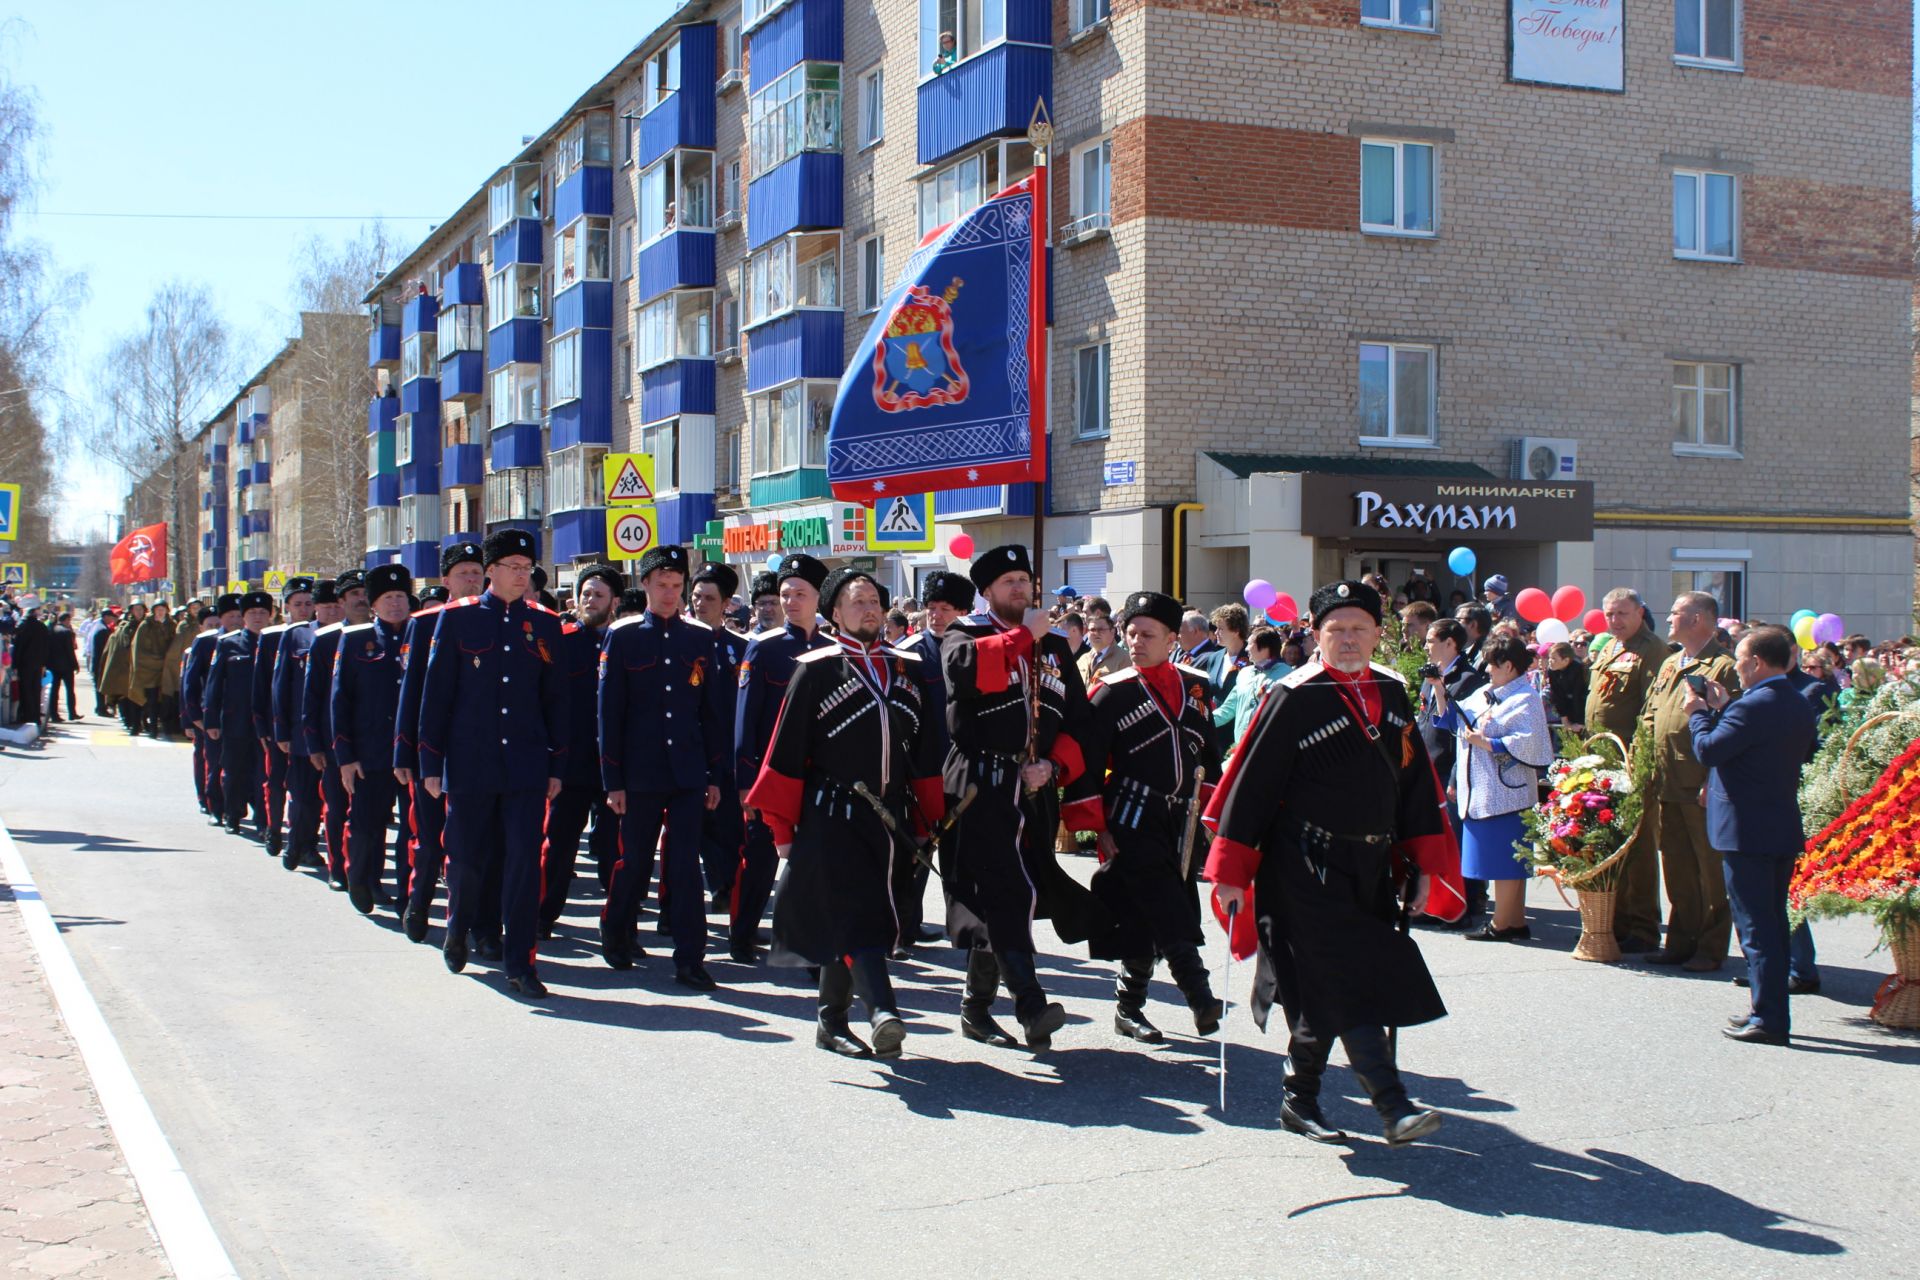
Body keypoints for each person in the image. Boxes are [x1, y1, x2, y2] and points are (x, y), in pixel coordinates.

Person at [1203, 578, 1464, 1147]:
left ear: (1377, 634)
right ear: (1316, 636)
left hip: (1369, 867)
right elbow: (1250, 787)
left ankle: (1299, 1099)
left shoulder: (1393, 692)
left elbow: (1415, 786)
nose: (1347, 639)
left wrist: (1421, 865)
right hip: (1302, 866)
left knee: (1326, 983)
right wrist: (1232, 873)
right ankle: (1392, 1106)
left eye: (1358, 629)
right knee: (1346, 980)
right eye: (1335, 629)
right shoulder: (1295, 696)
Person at [747, 568, 946, 1057]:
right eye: (857, 601)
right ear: (834, 613)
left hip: (891, 819)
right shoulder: (815, 669)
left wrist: (927, 819)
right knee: (858, 916)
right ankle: (883, 1010)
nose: (871, 609)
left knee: (866, 914)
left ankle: (830, 1021)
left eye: (875, 599)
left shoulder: (907, 667)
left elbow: (926, 748)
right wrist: (782, 832)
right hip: (831, 815)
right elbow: (784, 753)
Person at [940, 544, 1099, 1051]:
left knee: (1013, 897)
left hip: (1033, 791)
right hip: (979, 787)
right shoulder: (964, 634)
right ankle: (1030, 1003)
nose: (1020, 588)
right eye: (1007, 581)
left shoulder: (1054, 648)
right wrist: (1020, 636)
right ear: (986, 591)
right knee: (1003, 891)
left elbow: (1079, 722)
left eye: (1024, 580)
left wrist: (1053, 765)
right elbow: (964, 675)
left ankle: (975, 1006)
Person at [1061, 590, 1225, 1043]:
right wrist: (1097, 828)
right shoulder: (1113, 691)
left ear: (1172, 637)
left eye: (1147, 634)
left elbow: (1208, 753)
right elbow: (1086, 763)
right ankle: (1200, 995)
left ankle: (1128, 1009)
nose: (1136, 641)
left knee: (1147, 914)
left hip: (1181, 820)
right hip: (1131, 814)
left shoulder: (1196, 684)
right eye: (1130, 632)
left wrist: (1211, 813)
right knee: (1165, 902)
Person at [418, 531, 568, 1000]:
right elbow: (436, 695)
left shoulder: (544, 624)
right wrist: (430, 761)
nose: (522, 576)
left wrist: (556, 765)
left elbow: (555, 701)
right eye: (513, 567)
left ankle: (520, 962)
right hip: (471, 763)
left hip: (525, 765)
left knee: (524, 865)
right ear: (491, 571)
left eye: (527, 568)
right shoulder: (458, 620)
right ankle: (459, 925)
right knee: (466, 859)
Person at [597, 544, 727, 990]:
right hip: (640, 772)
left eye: (677, 586)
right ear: (645, 585)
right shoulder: (625, 635)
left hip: (688, 771)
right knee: (633, 860)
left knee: (685, 865)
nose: (671, 594)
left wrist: (712, 774)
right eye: (662, 585)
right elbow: (609, 714)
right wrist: (613, 779)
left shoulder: (699, 638)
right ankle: (617, 930)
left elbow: (710, 712)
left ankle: (691, 957)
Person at [1685, 625, 1818, 1045]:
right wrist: (1724, 709)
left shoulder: (1752, 706)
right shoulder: (1795, 701)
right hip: (1778, 823)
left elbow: (1709, 749)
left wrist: (1698, 714)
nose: (1737, 668)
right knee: (1773, 925)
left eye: (1741, 660)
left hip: (1746, 831)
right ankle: (1769, 1009)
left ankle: (1769, 1018)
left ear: (1757, 662)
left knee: (1757, 930)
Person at [732, 555, 834, 963]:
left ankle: (810, 949)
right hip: (772, 776)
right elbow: (745, 720)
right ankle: (742, 934)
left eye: (800, 594)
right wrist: (745, 782)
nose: (790, 602)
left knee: (815, 865)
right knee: (758, 862)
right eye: (785, 594)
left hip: (819, 777)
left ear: (819, 599)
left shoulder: (834, 649)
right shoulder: (765, 649)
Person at [1428, 634, 1553, 942]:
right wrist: (1439, 688)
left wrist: (1486, 742)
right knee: (1504, 861)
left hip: (1507, 793)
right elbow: (1456, 721)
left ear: (1509, 666)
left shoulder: (1525, 697)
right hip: (1484, 790)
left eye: (1492, 665)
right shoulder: (1487, 692)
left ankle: (1502, 923)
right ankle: (1514, 921)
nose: (1486, 671)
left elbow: (1532, 743)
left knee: (1507, 862)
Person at [1641, 591, 1739, 971]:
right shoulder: (1670, 664)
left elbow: (1731, 728)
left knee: (1711, 871)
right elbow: (1653, 713)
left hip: (1698, 782)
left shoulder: (1724, 667)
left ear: (1699, 619)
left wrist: (1712, 780)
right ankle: (1680, 942)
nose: (1668, 620)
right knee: (1678, 867)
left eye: (1676, 613)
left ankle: (1711, 948)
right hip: (1667, 779)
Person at [393, 543, 485, 941]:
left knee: (473, 846)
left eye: (477, 572)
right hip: (434, 750)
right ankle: (419, 902)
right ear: (445, 580)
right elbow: (412, 695)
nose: (471, 579)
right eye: (463, 572)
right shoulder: (426, 622)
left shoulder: (491, 618)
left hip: (477, 753)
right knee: (430, 839)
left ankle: (474, 924)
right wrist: (405, 751)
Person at [1581, 587, 1670, 952]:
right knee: (1608, 844)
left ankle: (1644, 927)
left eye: (1622, 614)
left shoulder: (1652, 650)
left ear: (1639, 613)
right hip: (1600, 758)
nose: (1614, 621)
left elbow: (1652, 709)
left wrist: (1637, 762)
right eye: (1609, 615)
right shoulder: (1608, 647)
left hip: (1629, 760)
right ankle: (1611, 923)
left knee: (1638, 848)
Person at [538, 563, 621, 938]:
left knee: (613, 851)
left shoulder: (623, 643)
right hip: (570, 763)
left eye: (598, 595)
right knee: (558, 846)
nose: (590, 600)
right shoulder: (562, 640)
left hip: (612, 766)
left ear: (614, 602)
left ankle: (619, 925)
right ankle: (542, 917)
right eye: (585, 594)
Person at [331, 565, 412, 916]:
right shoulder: (354, 640)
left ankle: (407, 892)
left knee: (411, 829)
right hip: (370, 753)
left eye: (400, 597)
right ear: (374, 604)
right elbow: (340, 700)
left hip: (411, 754)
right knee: (368, 824)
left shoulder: (421, 635)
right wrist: (345, 757)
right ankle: (362, 878)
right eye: (387, 598)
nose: (395, 604)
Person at [303, 572, 370, 890]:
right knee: (337, 807)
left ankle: (366, 874)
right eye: (354, 593)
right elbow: (313, 695)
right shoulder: (327, 640)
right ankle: (337, 868)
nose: (361, 598)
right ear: (341, 601)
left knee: (368, 814)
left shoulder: (384, 634)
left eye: (364, 592)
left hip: (373, 742)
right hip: (334, 742)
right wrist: (314, 743)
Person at [688, 561, 746, 913]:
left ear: (726, 604)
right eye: (696, 596)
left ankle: (725, 887)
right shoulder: (677, 641)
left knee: (727, 828)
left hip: (726, 753)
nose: (700, 604)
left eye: (709, 598)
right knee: (689, 832)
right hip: (689, 751)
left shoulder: (740, 648)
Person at [273, 577, 335, 874]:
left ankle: (314, 845)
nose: (331, 611)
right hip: (302, 732)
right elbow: (281, 685)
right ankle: (300, 844)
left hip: (337, 732)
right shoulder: (297, 636)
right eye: (325, 606)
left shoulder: (351, 635)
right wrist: (282, 730)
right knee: (304, 795)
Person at [203, 592, 274, 837]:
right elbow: (214, 684)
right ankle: (232, 814)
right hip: (235, 720)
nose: (257, 617)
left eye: (262, 612)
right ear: (243, 617)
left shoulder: (276, 642)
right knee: (234, 771)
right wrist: (211, 719)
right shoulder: (229, 643)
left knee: (263, 773)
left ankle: (264, 821)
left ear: (270, 615)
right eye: (252, 613)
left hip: (265, 722)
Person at [252, 579, 312, 859]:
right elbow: (264, 686)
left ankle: (306, 842)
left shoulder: (317, 634)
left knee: (306, 790)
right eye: (297, 604)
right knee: (276, 781)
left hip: (305, 727)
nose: (304, 609)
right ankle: (273, 828)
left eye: (309, 604)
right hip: (279, 726)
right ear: (285, 607)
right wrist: (265, 726)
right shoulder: (272, 636)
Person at [181, 599, 231, 819]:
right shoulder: (197, 647)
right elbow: (187, 686)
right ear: (201, 627)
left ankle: (229, 802)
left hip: (228, 714)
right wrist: (189, 720)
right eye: (210, 625)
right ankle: (207, 799)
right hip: (204, 714)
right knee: (206, 760)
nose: (214, 628)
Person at [1212, 626, 1290, 752]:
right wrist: (1201, 721)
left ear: (1264, 647)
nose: (1246, 648)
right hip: (1241, 748)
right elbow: (1227, 710)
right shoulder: (1244, 673)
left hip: (1271, 748)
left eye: (1250, 644)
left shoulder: (1287, 674)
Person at [128, 603, 175, 737]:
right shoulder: (145, 626)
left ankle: (154, 728)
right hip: (146, 669)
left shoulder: (171, 625)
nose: (160, 612)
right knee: (139, 698)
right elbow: (138, 649)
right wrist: (155, 661)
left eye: (163, 610)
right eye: (157, 610)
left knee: (156, 701)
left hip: (163, 669)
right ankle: (136, 726)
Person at [1198, 603, 1250, 716]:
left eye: (1221, 629)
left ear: (1236, 631)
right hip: (1216, 724)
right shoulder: (1214, 658)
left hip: (1240, 724)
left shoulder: (1251, 657)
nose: (1216, 632)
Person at [8, 604, 48, 729]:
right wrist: (44, 664)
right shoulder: (42, 626)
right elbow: (47, 647)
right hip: (38, 664)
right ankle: (36, 716)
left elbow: (19, 647)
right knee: (36, 688)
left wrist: (15, 664)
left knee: (25, 689)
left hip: (25, 664)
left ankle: (27, 715)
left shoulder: (23, 626)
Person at [1542, 641, 1589, 730]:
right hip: (1567, 706)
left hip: (1582, 707)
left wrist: (1579, 722)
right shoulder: (1552, 670)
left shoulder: (1578, 669)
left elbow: (1578, 695)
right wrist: (1565, 721)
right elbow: (1557, 695)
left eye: (1554, 659)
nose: (1550, 661)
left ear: (1566, 660)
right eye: (1549, 658)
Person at [1077, 611, 1130, 685]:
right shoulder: (1083, 659)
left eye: (1101, 629)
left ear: (1112, 631)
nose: (1096, 633)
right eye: (1092, 630)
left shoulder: (1124, 658)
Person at [45, 611, 79, 723]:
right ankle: (72, 713)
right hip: (66, 666)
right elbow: (70, 651)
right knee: (70, 690)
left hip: (52, 666)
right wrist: (75, 664)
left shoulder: (51, 630)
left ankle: (54, 714)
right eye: (69, 620)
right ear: (66, 620)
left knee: (54, 690)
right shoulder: (66, 632)